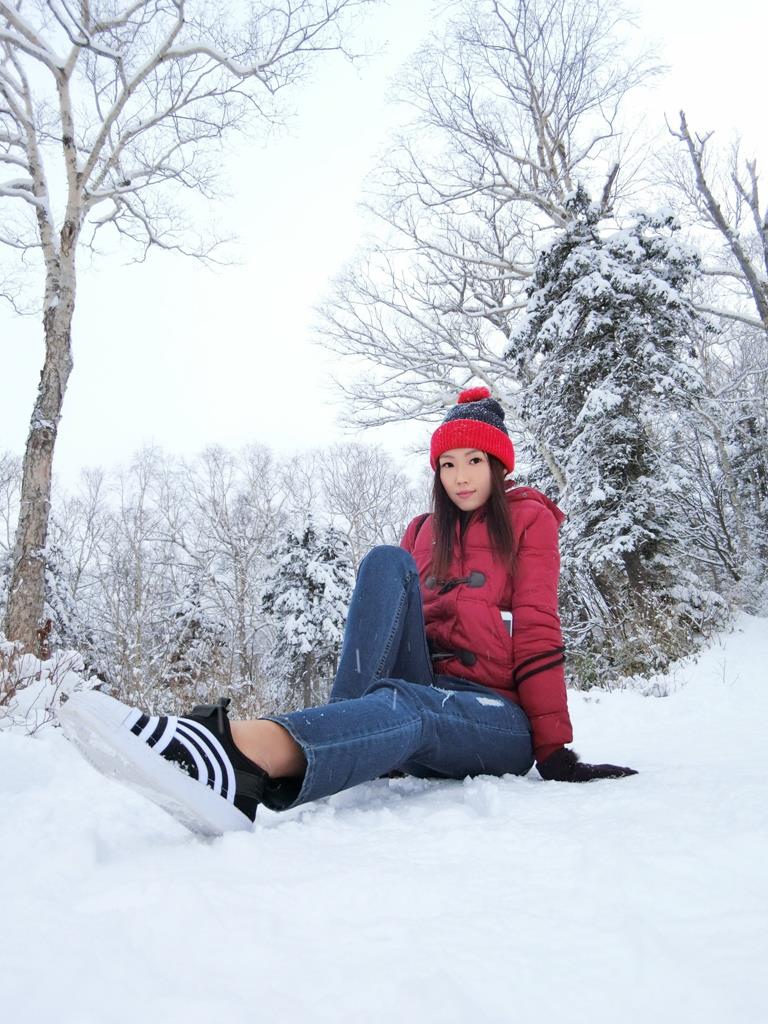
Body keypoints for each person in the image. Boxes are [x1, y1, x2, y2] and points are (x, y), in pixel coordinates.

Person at [58, 387, 637, 836]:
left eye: (474, 461)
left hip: (495, 719)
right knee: (386, 560)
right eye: (448, 464)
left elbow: (537, 627)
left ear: (498, 466)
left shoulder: (529, 521)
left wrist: (553, 749)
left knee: (409, 704)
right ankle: (352, 735)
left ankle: (237, 754)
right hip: (424, 690)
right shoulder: (422, 531)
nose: (461, 476)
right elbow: (394, 624)